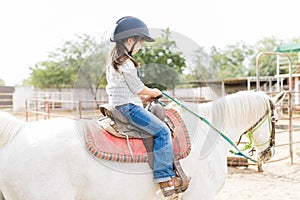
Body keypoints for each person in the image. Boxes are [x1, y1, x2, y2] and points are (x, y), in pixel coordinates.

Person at [106, 16, 181, 197]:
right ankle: (164, 178)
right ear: (130, 40)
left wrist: (145, 98)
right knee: (162, 131)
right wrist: (154, 91)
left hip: (121, 104)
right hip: (128, 108)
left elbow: (128, 89)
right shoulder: (127, 62)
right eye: (140, 43)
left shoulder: (115, 62)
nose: (140, 47)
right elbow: (139, 88)